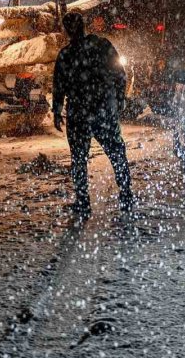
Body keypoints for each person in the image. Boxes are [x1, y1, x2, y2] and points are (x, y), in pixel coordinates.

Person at [52, 12, 134, 218]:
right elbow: (120, 73)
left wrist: (57, 110)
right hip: (103, 110)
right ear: (84, 26)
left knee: (79, 158)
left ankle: (83, 201)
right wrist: (119, 98)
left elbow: (59, 86)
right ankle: (125, 194)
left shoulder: (66, 54)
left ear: (67, 30)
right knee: (116, 153)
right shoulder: (102, 46)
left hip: (78, 113)